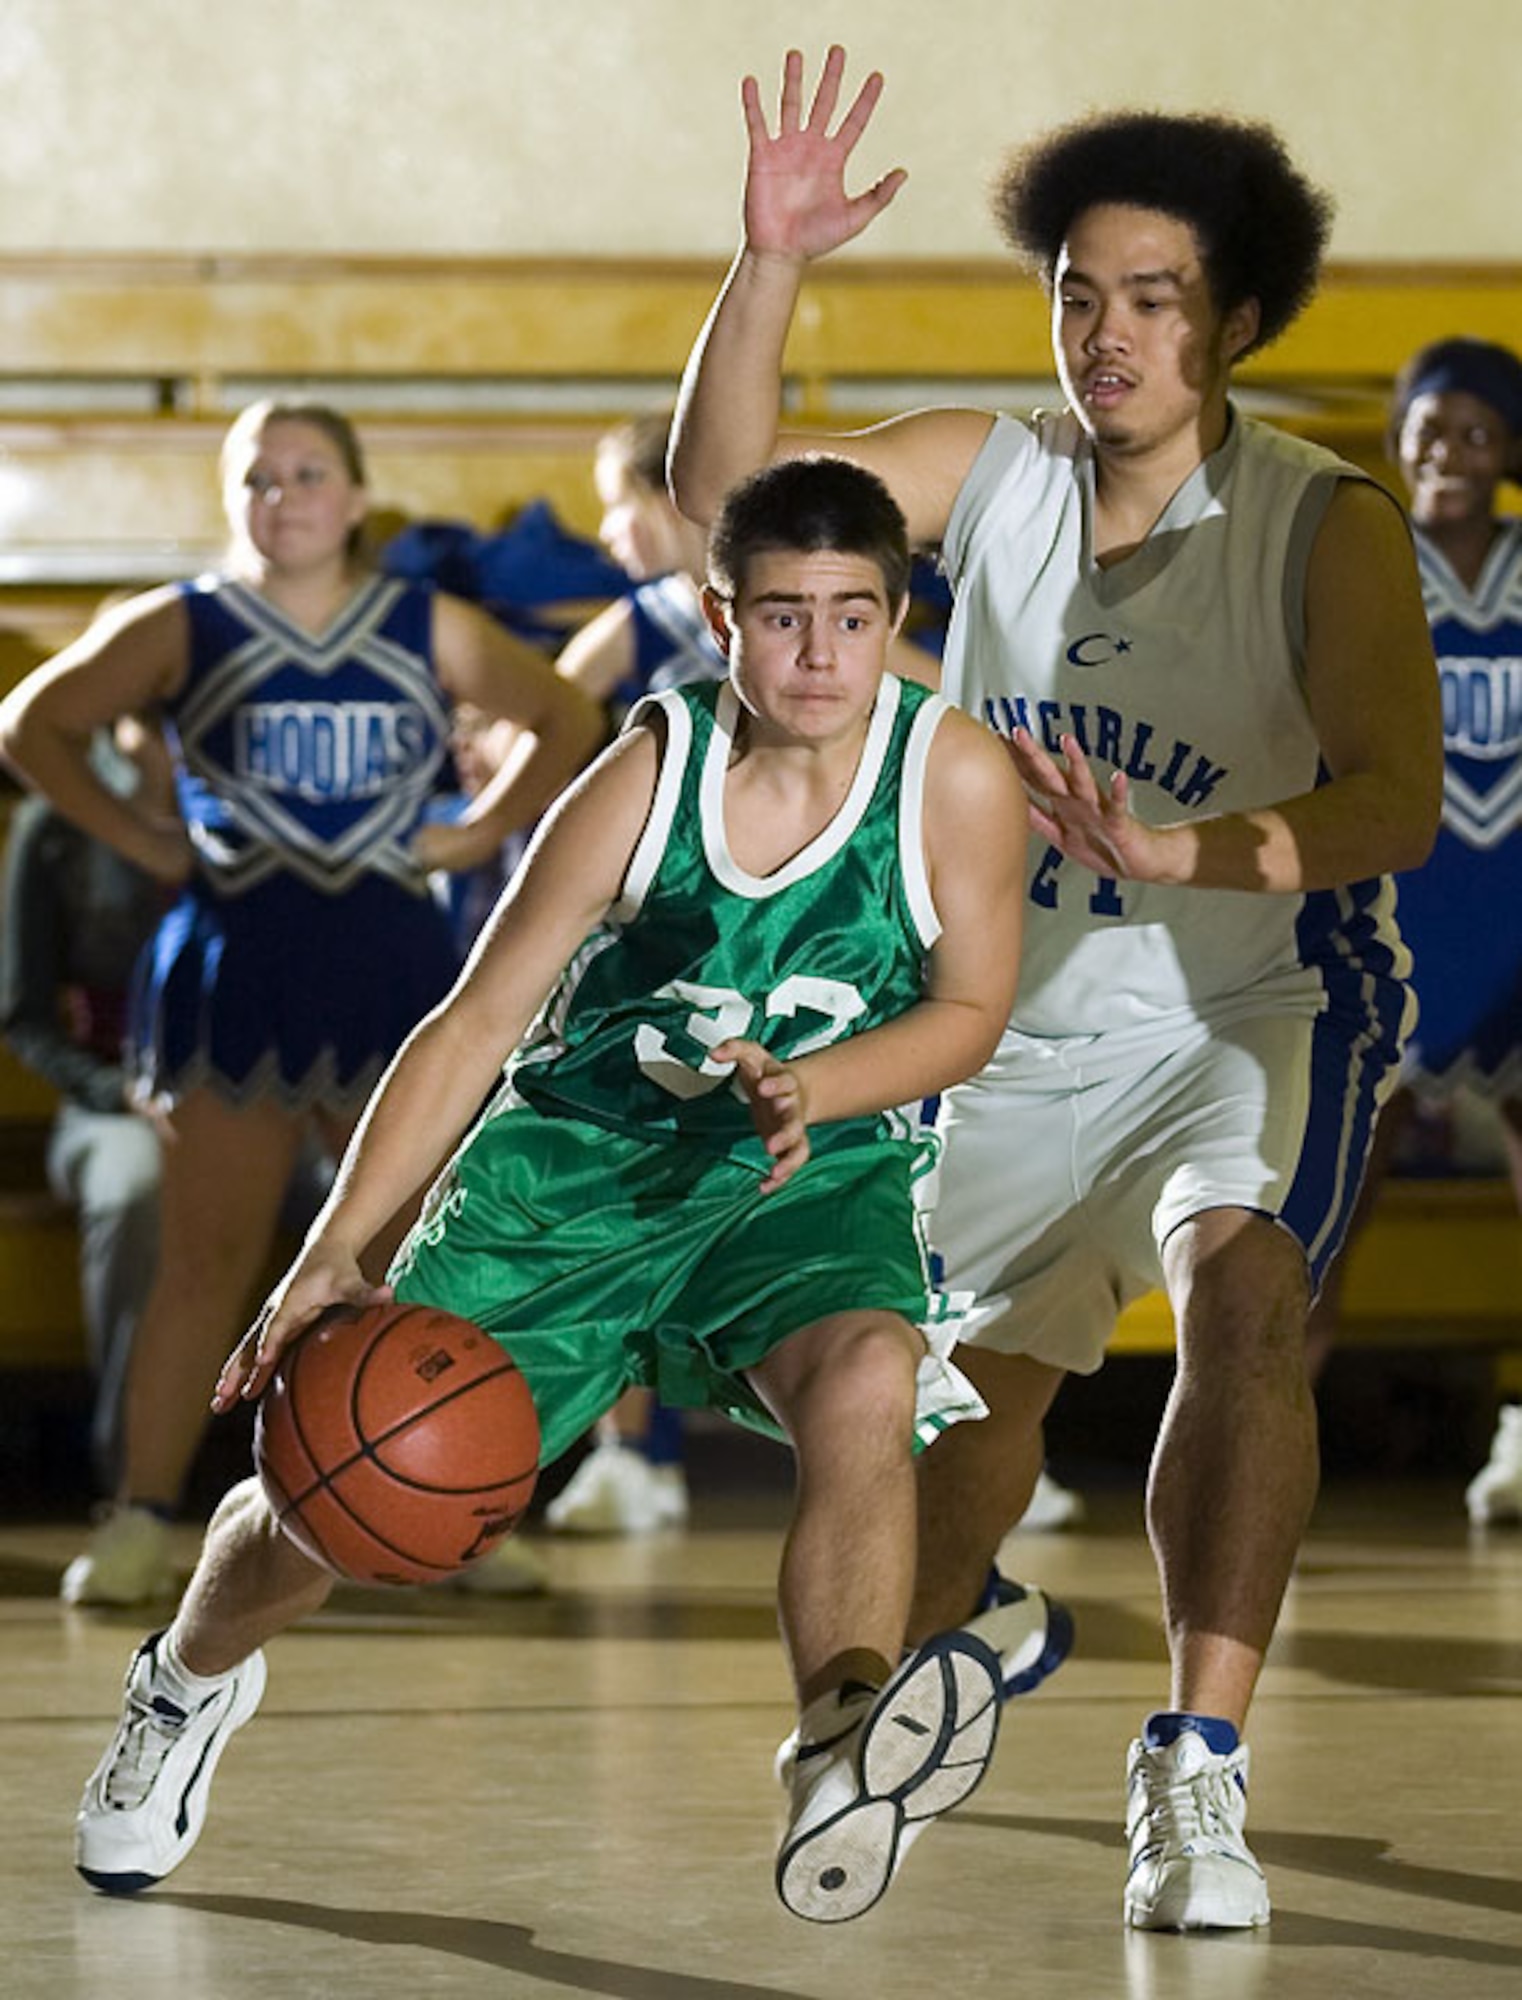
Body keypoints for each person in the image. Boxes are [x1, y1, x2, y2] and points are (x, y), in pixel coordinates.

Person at [72, 455, 1065, 1924]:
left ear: (893, 615)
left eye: (852, 618)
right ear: (717, 618)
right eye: (782, 617)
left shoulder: (956, 775)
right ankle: (184, 1683)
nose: (818, 654)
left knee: (867, 1375)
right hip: (575, 1172)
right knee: (338, 1495)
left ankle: (839, 1736)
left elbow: (969, 1010)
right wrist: (333, 1252)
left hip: (806, 1164)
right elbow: (472, 1024)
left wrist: (819, 1087)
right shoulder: (644, 774)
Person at [670, 48, 1443, 1931]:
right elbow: (735, 521)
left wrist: (1186, 853)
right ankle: (979, 1623)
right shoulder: (996, 471)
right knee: (956, 1437)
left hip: (1249, 1002)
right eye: (1076, 294)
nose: (1104, 334)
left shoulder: (1318, 520)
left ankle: (1197, 1769)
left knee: (1243, 1294)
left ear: (1235, 319)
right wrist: (765, 264)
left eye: (1152, 300)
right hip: (1005, 1020)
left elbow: (1394, 800)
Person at [0, 399, 602, 1608]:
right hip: (236, 958)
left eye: (308, 473)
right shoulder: (182, 619)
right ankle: (140, 1515)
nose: (284, 497)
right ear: (231, 498)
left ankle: (447, 1512)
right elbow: (32, 723)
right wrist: (138, 832)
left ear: (354, 491)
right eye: (258, 477)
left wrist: (483, 826)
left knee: (410, 1258)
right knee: (203, 1260)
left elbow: (568, 715)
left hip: (390, 960)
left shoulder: (424, 619)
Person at [1306, 337, 1522, 1516]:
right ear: (1398, 441)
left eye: (1476, 432)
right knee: (1329, 1197)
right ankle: (1262, 1431)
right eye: (1429, 430)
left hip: (1516, 894)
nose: (1449, 452)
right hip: (1395, 898)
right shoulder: (1361, 562)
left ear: (1509, 453)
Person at [0, 714, 175, 1492]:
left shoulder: (247, 815)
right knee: (133, 1188)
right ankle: (133, 1482)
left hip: (250, 1097)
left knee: (361, 1188)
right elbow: (25, 1018)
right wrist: (117, 1093)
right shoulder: (55, 823)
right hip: (111, 1100)